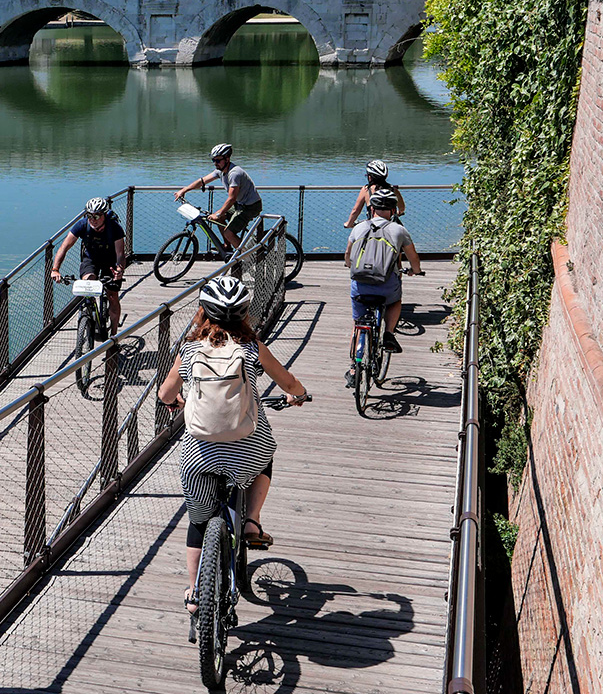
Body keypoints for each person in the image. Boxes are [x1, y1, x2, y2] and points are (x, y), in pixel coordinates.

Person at [156, 277, 309, 632]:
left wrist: (174, 402)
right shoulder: (252, 347)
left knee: (198, 522)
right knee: (267, 450)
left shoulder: (189, 350)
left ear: (203, 311)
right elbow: (287, 382)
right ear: (244, 313)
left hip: (200, 454)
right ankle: (252, 518)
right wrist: (299, 395)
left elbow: (165, 393)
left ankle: (195, 593)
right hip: (246, 449)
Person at [344, 189, 422, 381]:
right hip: (386, 287)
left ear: (372, 209)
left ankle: (354, 368)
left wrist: (349, 265)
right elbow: (414, 260)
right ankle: (388, 333)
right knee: (395, 301)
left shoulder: (358, 228)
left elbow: (348, 257)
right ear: (393, 210)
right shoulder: (400, 230)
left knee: (359, 323)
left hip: (360, 286)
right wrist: (415, 271)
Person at [51, 197, 126, 333]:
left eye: (96, 216)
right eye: (89, 215)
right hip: (91, 259)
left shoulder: (115, 228)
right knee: (88, 283)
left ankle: (114, 335)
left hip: (111, 261)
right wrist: (55, 269)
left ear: (104, 215)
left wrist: (119, 270)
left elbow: (120, 254)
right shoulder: (82, 225)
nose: (92, 219)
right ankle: (89, 314)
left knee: (112, 295)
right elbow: (64, 247)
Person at [173, 143, 263, 249]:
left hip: (250, 206)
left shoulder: (234, 173)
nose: (215, 163)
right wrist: (184, 190)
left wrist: (219, 213)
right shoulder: (220, 171)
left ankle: (247, 257)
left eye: (218, 160)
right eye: (213, 160)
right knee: (217, 219)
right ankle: (227, 246)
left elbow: (231, 198)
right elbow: (202, 181)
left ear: (227, 159)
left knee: (228, 233)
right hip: (240, 204)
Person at [344, 160, 406, 228]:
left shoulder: (366, 190)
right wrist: (398, 213)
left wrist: (349, 223)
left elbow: (356, 210)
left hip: (374, 227)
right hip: (392, 227)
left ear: (370, 177)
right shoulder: (394, 190)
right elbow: (402, 208)